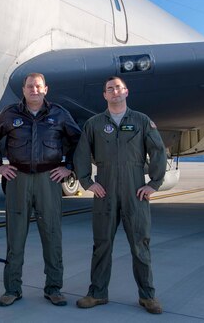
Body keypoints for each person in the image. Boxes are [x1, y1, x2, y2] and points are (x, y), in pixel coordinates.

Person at [0, 72, 81, 307]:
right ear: (24, 89)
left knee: (52, 235)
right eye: (30, 86)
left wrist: (68, 167)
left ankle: (54, 288)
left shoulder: (59, 114)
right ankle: (12, 289)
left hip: (49, 179)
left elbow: (79, 140)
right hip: (18, 178)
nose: (34, 90)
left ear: (45, 89)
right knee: (15, 236)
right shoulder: (10, 114)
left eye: (38, 86)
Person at [74, 76, 166, 314]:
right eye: (109, 89)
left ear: (126, 92)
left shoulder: (141, 121)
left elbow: (157, 151)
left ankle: (148, 296)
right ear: (104, 95)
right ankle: (97, 293)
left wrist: (154, 183)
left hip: (135, 190)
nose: (115, 92)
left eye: (118, 88)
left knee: (140, 244)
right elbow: (82, 154)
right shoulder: (94, 124)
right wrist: (86, 182)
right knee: (102, 244)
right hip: (104, 189)